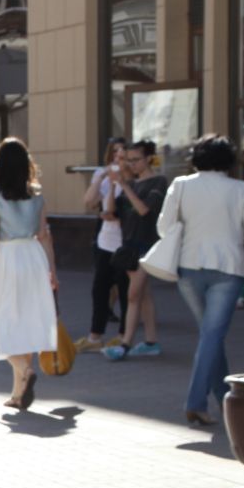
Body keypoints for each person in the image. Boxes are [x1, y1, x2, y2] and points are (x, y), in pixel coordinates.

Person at [161, 135, 244, 428]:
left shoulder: (180, 186)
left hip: (189, 266)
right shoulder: (240, 189)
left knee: (210, 335)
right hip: (229, 267)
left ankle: (223, 400)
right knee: (212, 335)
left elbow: (163, 226)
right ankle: (197, 402)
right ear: (229, 161)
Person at [0, 138, 58, 411]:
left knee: (4, 323)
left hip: (7, 257)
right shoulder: (36, 193)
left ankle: (23, 370)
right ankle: (18, 392)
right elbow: (45, 235)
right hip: (34, 257)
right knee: (28, 322)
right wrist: (52, 271)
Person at [102, 140, 169, 361]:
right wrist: (113, 186)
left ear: (149, 158)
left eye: (135, 160)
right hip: (130, 244)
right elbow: (111, 211)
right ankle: (151, 341)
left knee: (132, 296)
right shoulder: (132, 183)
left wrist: (125, 185)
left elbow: (143, 210)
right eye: (128, 160)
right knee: (144, 295)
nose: (131, 164)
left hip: (147, 245)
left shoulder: (158, 182)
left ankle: (125, 343)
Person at [78, 137, 128, 350]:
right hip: (105, 240)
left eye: (123, 156)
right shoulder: (105, 176)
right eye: (115, 154)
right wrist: (100, 178)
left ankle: (124, 335)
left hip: (126, 241)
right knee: (100, 289)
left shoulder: (131, 179)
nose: (118, 159)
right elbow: (89, 202)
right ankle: (95, 336)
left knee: (126, 291)